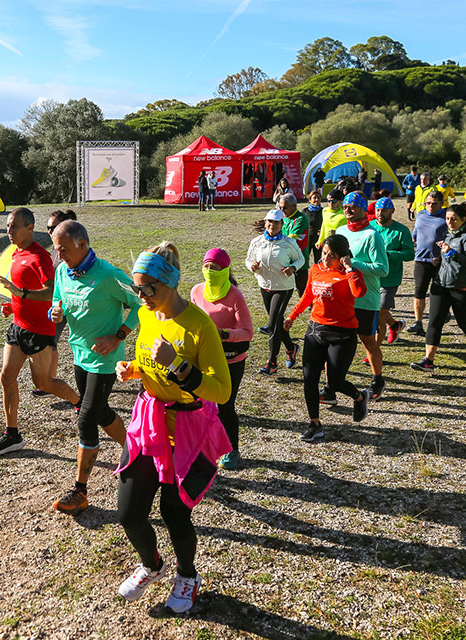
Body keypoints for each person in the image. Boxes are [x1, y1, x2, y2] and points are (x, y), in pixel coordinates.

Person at [114, 242, 232, 614]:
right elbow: (146, 358)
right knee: (128, 512)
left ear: (172, 283)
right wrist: (132, 369)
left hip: (189, 426)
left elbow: (222, 391)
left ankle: (187, 575)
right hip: (149, 420)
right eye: (138, 289)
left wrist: (179, 364)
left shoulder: (200, 325)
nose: (143, 296)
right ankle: (152, 565)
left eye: (149, 288)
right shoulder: (148, 315)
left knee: (173, 511)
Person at [47, 221, 140, 514]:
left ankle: (80, 490)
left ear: (82, 244)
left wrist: (118, 336)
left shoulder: (109, 275)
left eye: (63, 249)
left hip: (106, 359)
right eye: (56, 249)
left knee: (86, 418)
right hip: (79, 354)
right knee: (98, 412)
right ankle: (137, 451)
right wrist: (55, 311)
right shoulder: (63, 271)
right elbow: (56, 301)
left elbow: (141, 303)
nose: (59, 256)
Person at [0, 208, 81, 456]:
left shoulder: (39, 257)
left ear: (30, 228)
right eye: (7, 226)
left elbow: (51, 293)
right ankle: (12, 434)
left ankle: (80, 404)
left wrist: (22, 295)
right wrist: (13, 304)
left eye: (14, 226)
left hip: (39, 331)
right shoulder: (16, 253)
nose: (9, 231)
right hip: (18, 327)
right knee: (6, 377)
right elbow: (21, 289)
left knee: (44, 382)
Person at [285, 234, 371, 441]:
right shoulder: (316, 270)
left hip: (342, 333)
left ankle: (360, 396)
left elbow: (359, 292)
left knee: (335, 382)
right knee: (309, 379)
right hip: (316, 330)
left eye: (331, 255)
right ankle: (314, 424)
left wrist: (349, 268)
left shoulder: (350, 274)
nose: (325, 258)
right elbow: (307, 296)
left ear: (342, 257)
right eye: (324, 253)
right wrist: (292, 316)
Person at [191, 249, 253, 469]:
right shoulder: (197, 291)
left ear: (225, 270)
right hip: (204, 357)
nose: (209, 271)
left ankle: (232, 450)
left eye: (214, 267)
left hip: (231, 360)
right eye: (206, 266)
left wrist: (225, 334)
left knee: (225, 406)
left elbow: (248, 332)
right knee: (199, 404)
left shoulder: (235, 295)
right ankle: (203, 446)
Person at [410, 204, 466, 371]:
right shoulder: (448, 236)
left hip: (464, 289)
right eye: (447, 219)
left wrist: (452, 254)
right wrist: (441, 260)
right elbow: (449, 259)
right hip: (441, 285)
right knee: (434, 322)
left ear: (463, 219)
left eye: (454, 219)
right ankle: (428, 360)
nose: (450, 222)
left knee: (464, 323)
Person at [335, 192, 389, 399]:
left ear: (362, 209)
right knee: (339, 340)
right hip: (343, 296)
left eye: (353, 206)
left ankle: (378, 379)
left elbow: (382, 269)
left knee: (367, 340)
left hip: (366, 298)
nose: (347, 209)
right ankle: (333, 384)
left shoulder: (372, 234)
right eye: (345, 206)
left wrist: (353, 264)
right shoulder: (340, 231)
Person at [246, 208, 305, 375]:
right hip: (264, 285)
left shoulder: (289, 243)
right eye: (269, 222)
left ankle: (272, 363)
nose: (272, 225)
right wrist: (252, 267)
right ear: (265, 222)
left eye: (276, 222)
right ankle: (291, 347)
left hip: (283, 287)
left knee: (272, 325)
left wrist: (293, 268)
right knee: (277, 324)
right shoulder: (257, 242)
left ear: (281, 224)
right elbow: (248, 259)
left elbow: (301, 259)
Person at [33, 209, 78, 399]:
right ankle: (49, 381)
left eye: (54, 227)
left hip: (72, 302)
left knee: (65, 342)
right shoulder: (55, 248)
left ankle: (48, 382)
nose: (50, 232)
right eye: (48, 228)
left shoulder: (74, 248)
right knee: (51, 341)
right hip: (58, 302)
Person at [371, 196, 414, 345]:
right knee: (375, 312)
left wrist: (390, 254)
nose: (380, 213)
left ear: (392, 211)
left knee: (379, 316)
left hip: (390, 279)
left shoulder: (401, 231)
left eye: (384, 210)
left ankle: (374, 350)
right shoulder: (369, 227)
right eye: (378, 210)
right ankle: (395, 325)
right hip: (371, 277)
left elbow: (410, 254)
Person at [407, 190, 448, 336]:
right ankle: (418, 323)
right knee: (419, 292)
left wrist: (443, 256)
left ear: (441, 203)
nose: (430, 206)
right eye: (428, 203)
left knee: (439, 293)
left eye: (434, 203)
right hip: (421, 260)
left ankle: (440, 317)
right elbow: (416, 232)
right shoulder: (421, 214)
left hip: (439, 261)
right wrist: (413, 240)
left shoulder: (446, 217)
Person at [279, 193, 311, 296]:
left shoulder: (301, 219)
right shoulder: (284, 218)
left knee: (302, 289)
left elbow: (290, 239)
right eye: (280, 207)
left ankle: (311, 307)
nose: (282, 210)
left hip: (299, 259)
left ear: (294, 206)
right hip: (285, 258)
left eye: (284, 208)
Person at [305, 191, 324, 262]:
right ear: (310, 199)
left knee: (319, 260)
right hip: (307, 239)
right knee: (305, 260)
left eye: (318, 198)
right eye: (314, 198)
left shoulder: (323, 211)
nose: (316, 199)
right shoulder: (305, 212)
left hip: (319, 240)